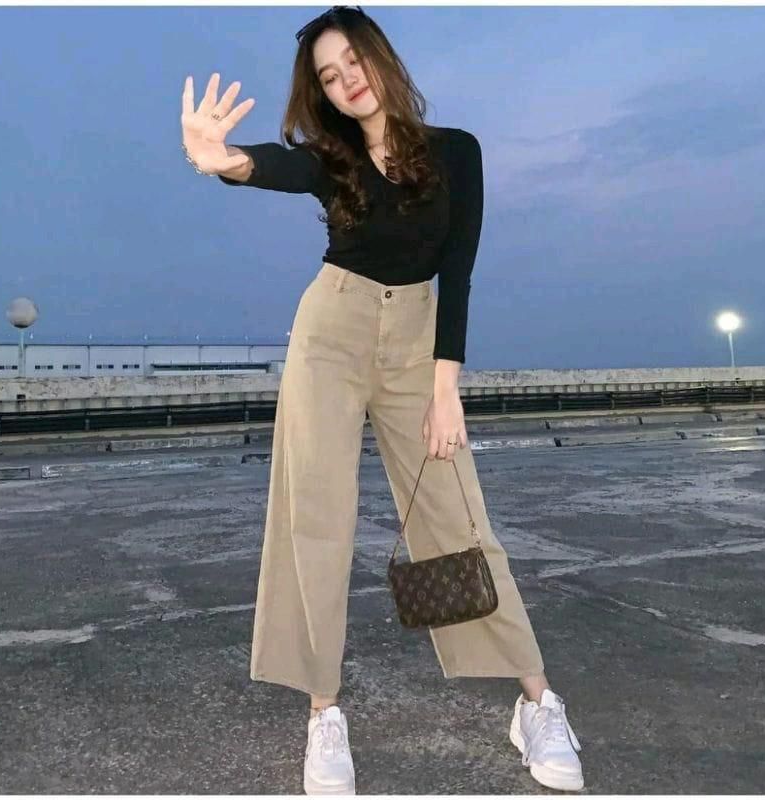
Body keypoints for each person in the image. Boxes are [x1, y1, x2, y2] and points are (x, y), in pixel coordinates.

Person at [180, 5, 583, 795]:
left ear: (380, 57)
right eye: (329, 77)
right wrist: (221, 160)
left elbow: (458, 271)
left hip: (415, 341)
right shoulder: (331, 160)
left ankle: (536, 700)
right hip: (331, 331)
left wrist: (444, 388)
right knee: (315, 518)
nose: (346, 81)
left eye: (352, 62)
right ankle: (323, 713)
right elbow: (274, 166)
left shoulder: (456, 152)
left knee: (458, 517)